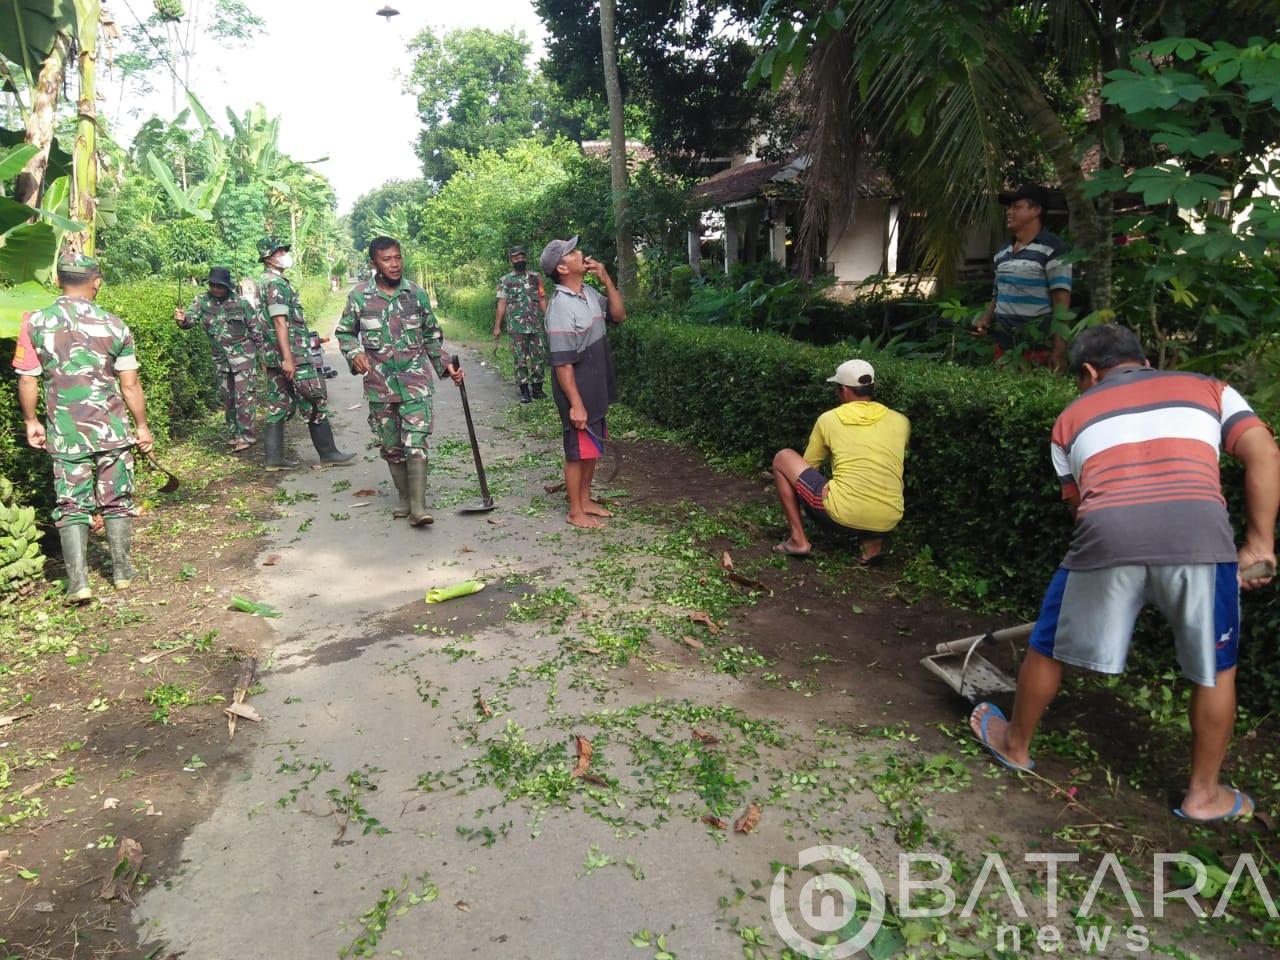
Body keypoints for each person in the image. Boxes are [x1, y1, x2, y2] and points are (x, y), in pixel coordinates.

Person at [970, 325, 1280, 824]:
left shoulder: (1069, 419)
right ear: (1145, 359)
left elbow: (1081, 508)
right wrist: (1259, 544)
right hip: (1202, 541)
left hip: (1108, 539)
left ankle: (1017, 744)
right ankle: (1203, 795)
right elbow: (1263, 450)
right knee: (1217, 667)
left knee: (1048, 645)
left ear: (1088, 373)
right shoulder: (1210, 390)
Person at [12, 255, 154, 601]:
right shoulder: (114, 325)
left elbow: (28, 379)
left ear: (58, 281)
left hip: (65, 433)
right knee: (117, 500)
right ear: (96, 282)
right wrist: (142, 426)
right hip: (112, 430)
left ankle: (79, 583)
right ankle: (121, 571)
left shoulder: (35, 323)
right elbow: (130, 385)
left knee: (71, 504)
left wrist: (32, 421)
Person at [334, 236, 463, 526]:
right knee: (391, 445)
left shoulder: (415, 295)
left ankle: (419, 508)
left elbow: (431, 335)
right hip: (380, 385)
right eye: (387, 259)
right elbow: (344, 333)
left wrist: (447, 366)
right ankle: (404, 498)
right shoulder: (359, 297)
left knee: (416, 441)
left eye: (398, 258)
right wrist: (354, 353)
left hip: (415, 381)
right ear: (374, 264)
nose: (394, 264)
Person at [770, 359, 910, 563]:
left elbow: (809, 467)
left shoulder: (829, 419)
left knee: (783, 458)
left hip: (839, 514)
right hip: (890, 518)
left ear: (844, 390)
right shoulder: (901, 421)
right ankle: (872, 548)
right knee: (877, 473)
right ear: (873, 387)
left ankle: (798, 540)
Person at [540, 236, 625, 529]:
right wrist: (575, 403)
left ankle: (586, 499)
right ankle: (575, 511)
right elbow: (562, 361)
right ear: (562, 268)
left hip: (596, 384)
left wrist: (606, 278)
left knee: (592, 447)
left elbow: (619, 315)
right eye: (573, 253)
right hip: (576, 390)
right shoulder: (560, 306)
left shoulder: (587, 292)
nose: (581, 254)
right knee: (577, 451)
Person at [255, 236, 354, 470]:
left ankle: (274, 459)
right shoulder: (276, 285)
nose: (283, 255)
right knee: (315, 400)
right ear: (268, 257)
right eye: (279, 252)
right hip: (293, 357)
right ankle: (328, 453)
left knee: (278, 404)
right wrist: (289, 358)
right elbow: (280, 323)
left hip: (275, 356)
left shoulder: (266, 282)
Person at [974, 183, 1072, 369]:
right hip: (1003, 348)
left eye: (1016, 207)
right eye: (1009, 207)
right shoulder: (1002, 253)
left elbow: (1061, 301)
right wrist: (985, 320)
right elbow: (997, 294)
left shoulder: (1054, 250)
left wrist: (1059, 350)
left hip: (1037, 348)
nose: (1009, 212)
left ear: (1036, 210)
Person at [174, 266, 259, 452]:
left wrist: (267, 357)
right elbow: (190, 321)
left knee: (244, 398)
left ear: (227, 286)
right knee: (228, 398)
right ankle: (236, 433)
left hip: (243, 358)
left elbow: (256, 330)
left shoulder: (241, 303)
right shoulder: (201, 302)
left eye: (219, 286)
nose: (215, 289)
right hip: (221, 360)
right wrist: (181, 320)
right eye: (212, 285)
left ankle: (247, 436)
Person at [492, 245, 549, 403]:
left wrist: (550, 318)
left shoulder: (535, 277)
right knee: (520, 358)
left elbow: (542, 299)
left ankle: (537, 389)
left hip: (535, 324)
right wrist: (497, 326)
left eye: (522, 257)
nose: (520, 260)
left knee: (538, 356)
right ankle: (524, 390)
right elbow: (502, 303)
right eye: (516, 258)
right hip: (516, 327)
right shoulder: (505, 280)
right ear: (511, 261)